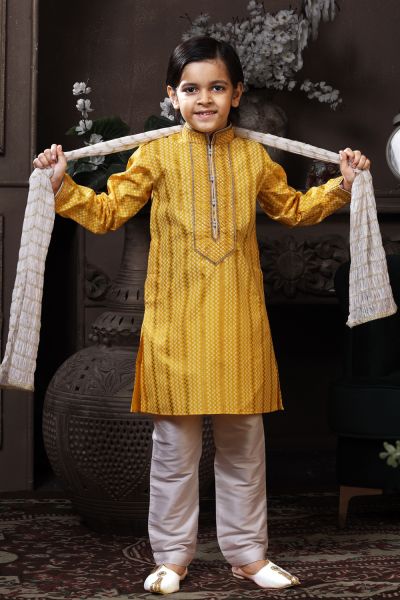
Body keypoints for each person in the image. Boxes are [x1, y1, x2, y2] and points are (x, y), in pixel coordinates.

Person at [34, 36, 371, 595]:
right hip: (175, 325)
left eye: (217, 88)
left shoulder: (254, 157)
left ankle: (249, 556)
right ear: (173, 95)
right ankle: (171, 559)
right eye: (191, 89)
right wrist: (60, 184)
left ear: (237, 94)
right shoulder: (156, 155)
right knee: (174, 452)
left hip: (239, 324)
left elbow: (292, 208)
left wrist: (344, 185)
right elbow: (108, 212)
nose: (205, 99)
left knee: (243, 449)